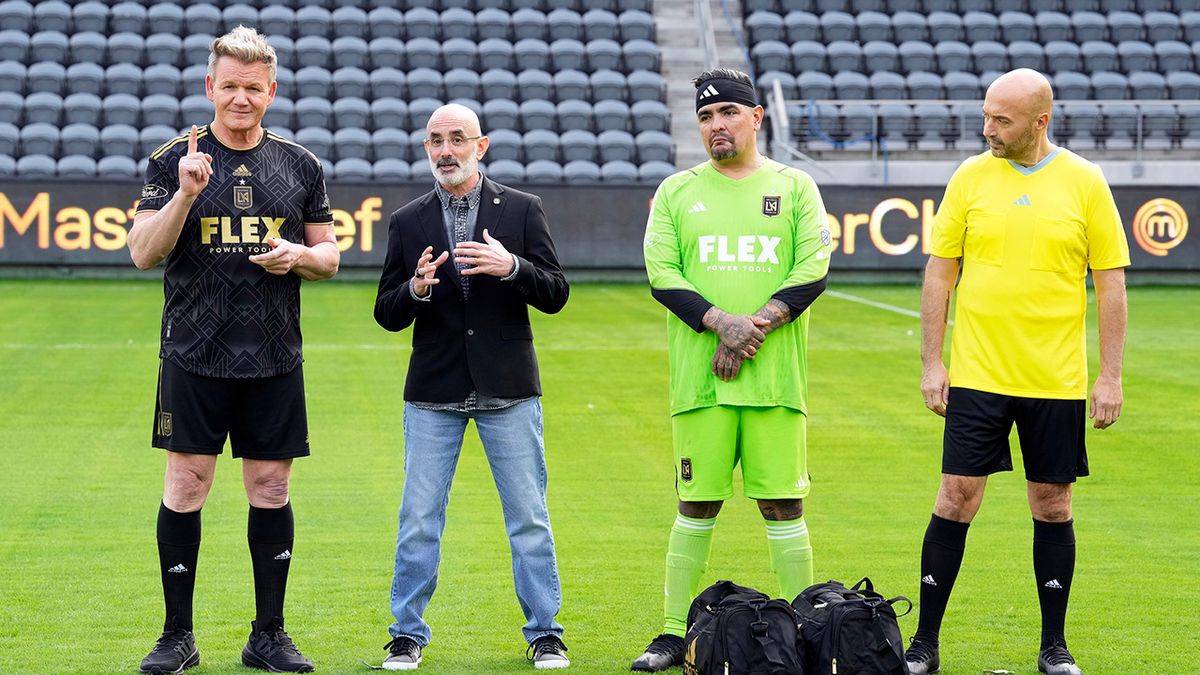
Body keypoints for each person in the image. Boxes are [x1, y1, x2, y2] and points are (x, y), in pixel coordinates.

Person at [127, 26, 339, 675]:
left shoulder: (299, 163)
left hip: (274, 355)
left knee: (270, 486)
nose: (241, 98)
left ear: (269, 91)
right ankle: (177, 636)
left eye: (253, 87)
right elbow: (141, 252)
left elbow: (330, 256)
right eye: (230, 86)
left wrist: (300, 255)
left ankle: (267, 635)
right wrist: (189, 193)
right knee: (187, 483)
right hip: (193, 353)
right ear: (209, 88)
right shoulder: (173, 161)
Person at [904, 69, 1129, 675]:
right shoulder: (970, 176)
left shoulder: (1085, 182)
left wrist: (1110, 376)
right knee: (955, 497)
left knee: (1053, 505)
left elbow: (1110, 282)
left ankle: (1053, 646)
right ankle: (924, 643)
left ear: (1040, 121)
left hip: (1056, 380)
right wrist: (932, 363)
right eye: (986, 116)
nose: (989, 130)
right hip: (977, 376)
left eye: (1001, 120)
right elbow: (939, 272)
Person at [633, 68, 832, 672]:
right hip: (702, 383)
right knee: (696, 504)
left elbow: (812, 270)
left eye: (727, 115)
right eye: (705, 118)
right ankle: (671, 633)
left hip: (776, 383)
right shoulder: (675, 192)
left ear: (755, 118)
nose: (716, 127)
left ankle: (802, 628)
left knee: (782, 504)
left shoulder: (796, 187)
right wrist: (723, 324)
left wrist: (751, 329)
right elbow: (663, 276)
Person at [373, 103, 571, 671]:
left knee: (528, 516)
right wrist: (414, 288)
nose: (445, 150)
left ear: (480, 147)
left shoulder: (524, 210)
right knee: (418, 520)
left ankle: (545, 632)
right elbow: (387, 312)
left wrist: (512, 268)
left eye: (457, 139)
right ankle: (406, 633)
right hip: (433, 392)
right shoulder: (408, 220)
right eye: (436, 140)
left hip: (508, 389)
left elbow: (556, 292)